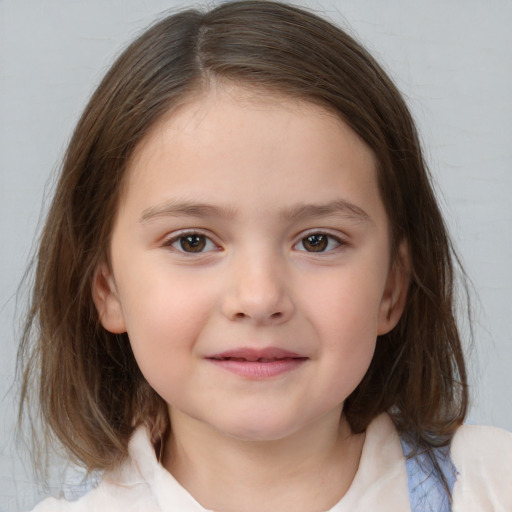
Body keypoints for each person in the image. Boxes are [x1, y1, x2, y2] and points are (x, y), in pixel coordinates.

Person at [18, 1, 511, 511]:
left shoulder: (493, 487)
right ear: (108, 290)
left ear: (392, 287)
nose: (258, 298)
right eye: (192, 241)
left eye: (317, 241)